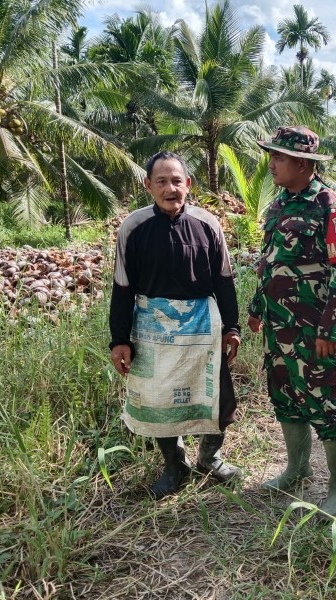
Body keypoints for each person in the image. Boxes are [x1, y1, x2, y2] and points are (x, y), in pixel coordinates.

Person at [109, 151, 242, 499]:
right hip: (153, 331)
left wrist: (232, 328)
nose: (171, 188)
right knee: (159, 400)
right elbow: (122, 287)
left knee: (217, 398)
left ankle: (209, 457)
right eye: (162, 181)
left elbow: (224, 281)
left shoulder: (208, 225)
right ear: (148, 186)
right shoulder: (133, 228)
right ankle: (174, 463)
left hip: (203, 328)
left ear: (189, 184)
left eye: (177, 180)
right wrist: (118, 340)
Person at [248, 126, 336, 518]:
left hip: (312, 327)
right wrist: (257, 308)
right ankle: (296, 469)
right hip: (279, 327)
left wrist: (332, 329)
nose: (272, 164)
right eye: (272, 156)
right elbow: (268, 260)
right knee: (284, 396)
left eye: (278, 157)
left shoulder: (332, 206)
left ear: (303, 163)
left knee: (322, 401)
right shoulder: (278, 205)